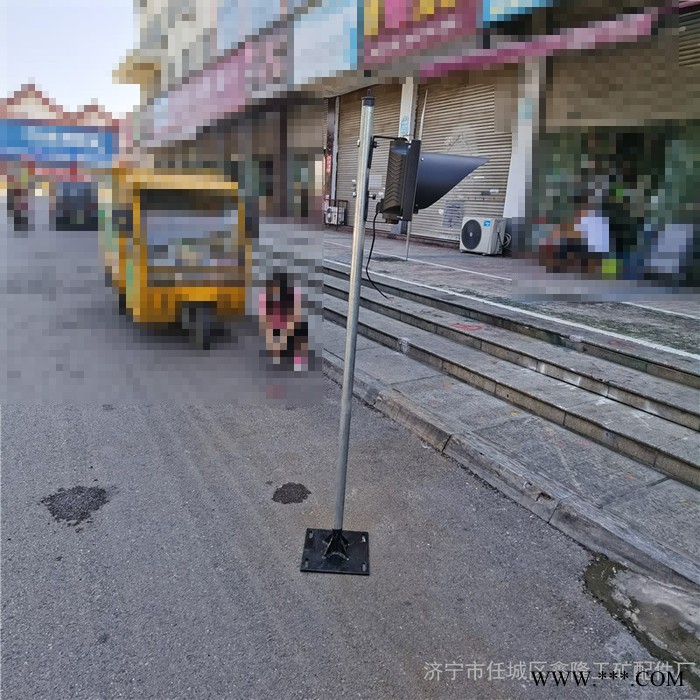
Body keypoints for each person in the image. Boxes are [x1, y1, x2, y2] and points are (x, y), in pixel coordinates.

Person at [258, 272, 308, 371]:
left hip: (289, 328)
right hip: (274, 329)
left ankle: (297, 362)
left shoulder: (293, 295)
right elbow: (264, 321)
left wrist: (285, 333)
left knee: (301, 329)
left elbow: (296, 318)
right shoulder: (264, 296)